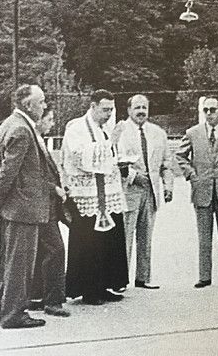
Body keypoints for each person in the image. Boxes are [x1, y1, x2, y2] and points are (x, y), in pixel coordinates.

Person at [0, 84, 60, 329]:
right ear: (28, 105)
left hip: (13, 208)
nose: (45, 105)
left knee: (8, 262)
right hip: (23, 209)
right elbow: (6, 171)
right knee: (19, 265)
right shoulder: (21, 129)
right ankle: (13, 315)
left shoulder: (9, 124)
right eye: (41, 101)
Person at [62, 90, 129, 304]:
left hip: (108, 194)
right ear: (92, 106)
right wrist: (110, 144)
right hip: (87, 194)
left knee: (107, 242)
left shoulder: (105, 128)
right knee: (88, 243)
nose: (109, 114)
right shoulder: (76, 127)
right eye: (105, 109)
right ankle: (88, 289)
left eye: (111, 109)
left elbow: (109, 156)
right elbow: (80, 156)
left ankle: (104, 285)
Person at [175, 97, 218, 289]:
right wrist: (192, 175)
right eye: (205, 110)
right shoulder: (192, 133)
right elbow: (180, 156)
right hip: (202, 189)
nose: (209, 113)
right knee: (204, 237)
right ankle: (204, 277)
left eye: (213, 109)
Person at [116, 94, 174, 290]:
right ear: (129, 110)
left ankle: (143, 278)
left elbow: (167, 163)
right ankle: (120, 279)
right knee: (125, 236)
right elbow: (116, 161)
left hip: (151, 192)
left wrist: (168, 186)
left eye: (144, 108)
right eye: (137, 107)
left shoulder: (158, 133)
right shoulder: (120, 131)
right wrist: (133, 176)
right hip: (129, 190)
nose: (141, 111)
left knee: (146, 236)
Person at [28, 107, 70, 317]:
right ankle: (53, 301)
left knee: (44, 251)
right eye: (50, 119)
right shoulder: (33, 141)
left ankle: (38, 296)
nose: (52, 123)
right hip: (41, 206)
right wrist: (54, 188)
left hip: (45, 205)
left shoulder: (39, 140)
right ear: (39, 120)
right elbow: (30, 176)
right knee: (56, 250)